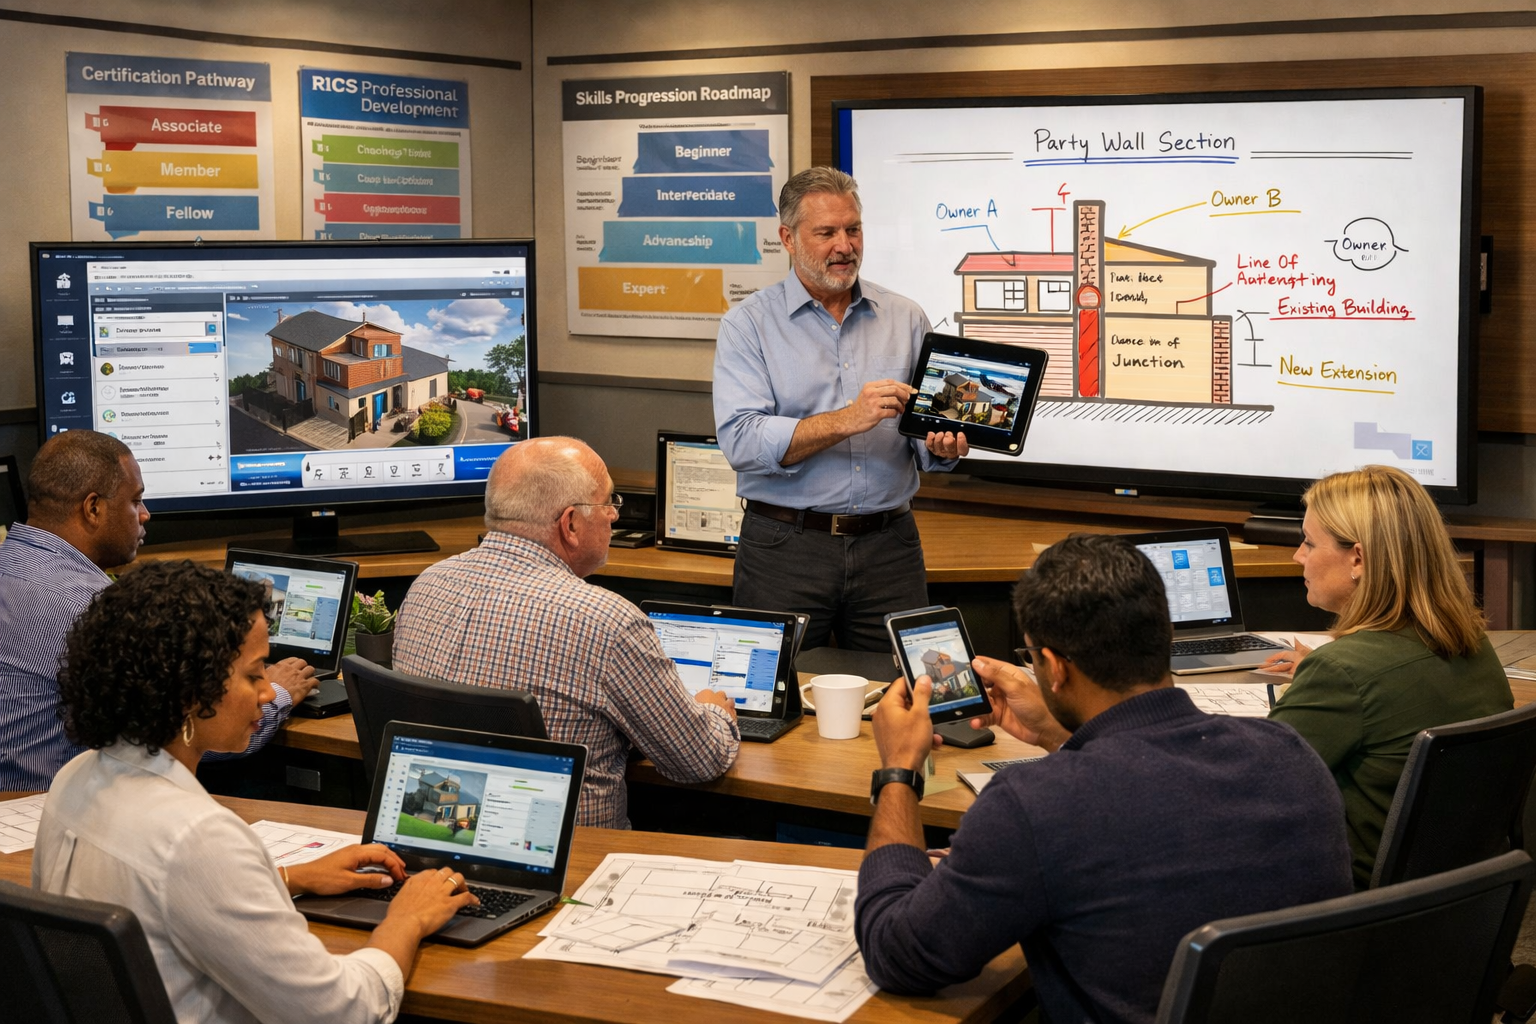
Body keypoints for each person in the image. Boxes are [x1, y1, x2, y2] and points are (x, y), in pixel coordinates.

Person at [855, 534, 1351, 1024]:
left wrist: (899, 769)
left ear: (1053, 668)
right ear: (1165, 636)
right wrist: (1056, 735)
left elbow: (898, 955)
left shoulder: (1035, 805)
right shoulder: (1290, 755)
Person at [34, 560, 476, 1023]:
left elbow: (161, 899)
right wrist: (407, 918)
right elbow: (344, 1011)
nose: (269, 692)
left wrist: (288, 878)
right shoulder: (197, 838)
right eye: (253, 674)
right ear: (191, 693)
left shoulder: (76, 777)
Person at [393, 437, 739, 829]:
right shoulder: (606, 622)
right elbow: (698, 761)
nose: (614, 515)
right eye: (607, 502)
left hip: (437, 839)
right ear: (570, 523)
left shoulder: (426, 586)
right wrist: (713, 710)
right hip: (573, 857)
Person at [713, 166, 968, 651]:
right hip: (785, 547)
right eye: (826, 232)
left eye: (853, 229)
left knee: (901, 686)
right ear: (788, 238)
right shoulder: (748, 325)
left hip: (890, 547)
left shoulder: (906, 318)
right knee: (778, 687)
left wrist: (942, 445)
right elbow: (742, 442)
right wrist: (848, 419)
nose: (845, 246)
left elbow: (925, 443)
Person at [0, 431, 316, 791]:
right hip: (46, 810)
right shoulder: (94, 609)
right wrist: (277, 691)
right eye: (135, 500)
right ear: (93, 508)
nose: (145, 514)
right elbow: (187, 735)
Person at [1257, 464, 1513, 887]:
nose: (1298, 556)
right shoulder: (1474, 646)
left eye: (1309, 542)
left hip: (1348, 904)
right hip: (1451, 901)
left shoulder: (1342, 673)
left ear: (1357, 558)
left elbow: (1253, 787)